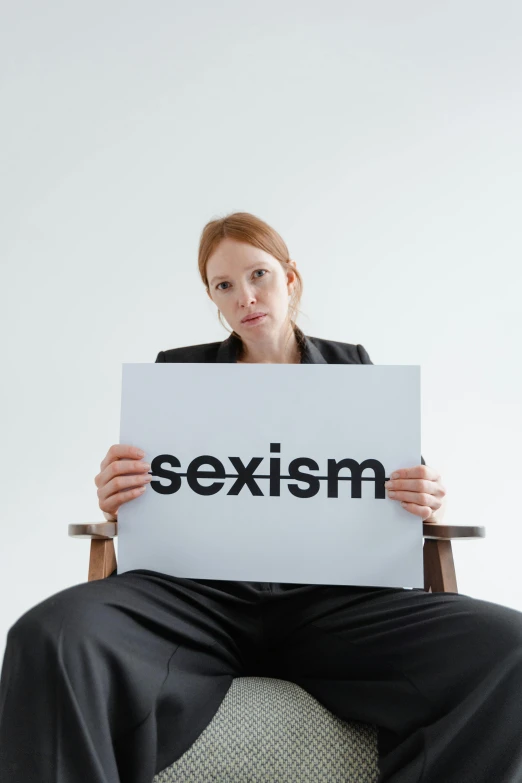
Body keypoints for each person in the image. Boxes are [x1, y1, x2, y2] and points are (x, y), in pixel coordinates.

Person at [1, 211, 521, 783]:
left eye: (259, 275)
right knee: (46, 635)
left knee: (511, 647)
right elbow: (148, 498)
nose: (245, 296)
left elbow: (400, 492)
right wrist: (115, 497)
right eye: (224, 285)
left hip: (330, 605)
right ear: (213, 298)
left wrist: (428, 498)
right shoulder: (178, 373)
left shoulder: (352, 368)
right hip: (194, 601)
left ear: (290, 278)